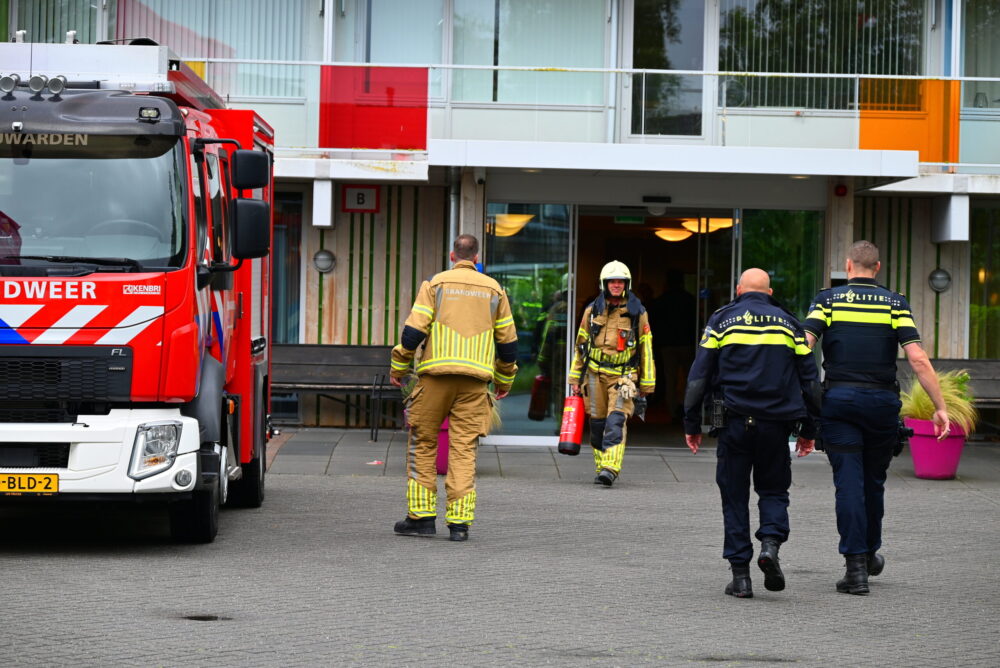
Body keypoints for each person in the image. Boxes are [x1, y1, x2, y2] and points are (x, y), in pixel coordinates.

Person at [803, 240, 950, 595]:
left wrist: (798, 395)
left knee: (848, 484)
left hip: (839, 402)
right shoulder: (895, 303)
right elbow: (917, 359)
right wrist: (940, 406)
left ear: (848, 266)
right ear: (878, 267)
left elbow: (804, 346)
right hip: (881, 404)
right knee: (873, 482)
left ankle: (855, 569)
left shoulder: (827, 301)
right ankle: (869, 554)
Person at [683, 268, 820, 599]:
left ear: (738, 289)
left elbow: (699, 375)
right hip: (776, 425)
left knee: (734, 497)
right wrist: (810, 428)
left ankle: (741, 577)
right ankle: (770, 545)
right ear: (770, 293)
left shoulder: (721, 321)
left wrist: (691, 423)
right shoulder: (790, 324)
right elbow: (810, 380)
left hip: (733, 423)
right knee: (773, 490)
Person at [389, 234, 518, 542]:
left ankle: (421, 518)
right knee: (463, 450)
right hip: (475, 383)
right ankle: (459, 525)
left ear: (452, 256)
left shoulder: (435, 284)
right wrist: (504, 380)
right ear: (476, 258)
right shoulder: (495, 290)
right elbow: (508, 344)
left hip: (435, 379)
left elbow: (413, 333)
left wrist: (399, 367)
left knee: (423, 444)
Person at [568, 260, 655, 487]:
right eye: (612, 281)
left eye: (620, 281)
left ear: (627, 284)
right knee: (597, 424)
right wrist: (575, 378)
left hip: (623, 378)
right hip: (594, 375)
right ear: (604, 284)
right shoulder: (592, 310)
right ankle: (601, 468)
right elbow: (580, 345)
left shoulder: (637, 312)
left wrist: (647, 383)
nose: (616, 285)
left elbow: (646, 348)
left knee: (616, 421)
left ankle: (610, 468)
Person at [649, 269, 697, 420]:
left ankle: (673, 411)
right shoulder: (689, 299)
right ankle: (686, 407)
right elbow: (695, 320)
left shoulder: (661, 301)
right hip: (687, 343)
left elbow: (654, 323)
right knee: (689, 378)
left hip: (667, 345)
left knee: (670, 379)